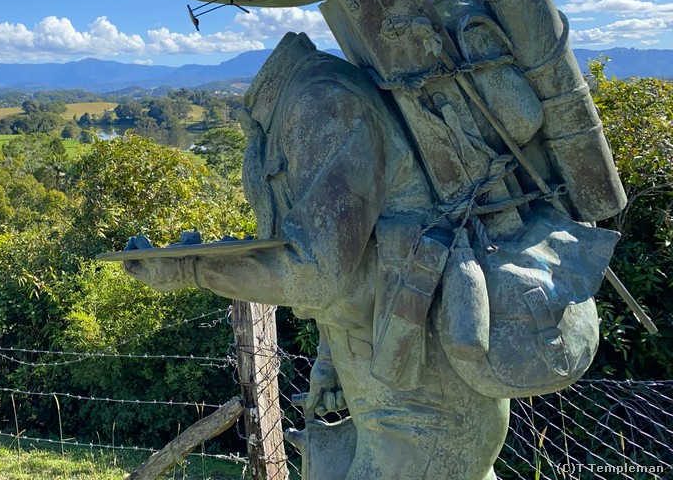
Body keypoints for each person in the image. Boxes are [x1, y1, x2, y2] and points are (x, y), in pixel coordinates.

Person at [123, 31, 509, 480]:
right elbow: (351, 252)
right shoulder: (300, 99)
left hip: (424, 404)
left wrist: (190, 267)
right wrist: (331, 358)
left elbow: (316, 271)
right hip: (393, 385)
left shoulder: (321, 101)